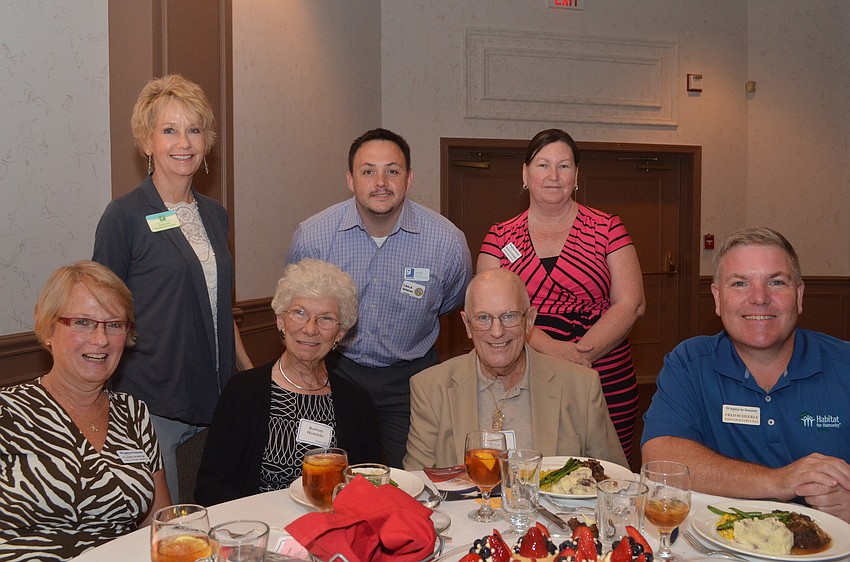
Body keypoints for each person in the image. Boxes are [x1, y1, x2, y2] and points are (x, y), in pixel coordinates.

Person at [92, 74, 252, 499]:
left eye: (193, 130)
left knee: (219, 517)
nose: (184, 142)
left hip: (216, 396)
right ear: (146, 142)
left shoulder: (215, 216)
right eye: (169, 130)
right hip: (153, 399)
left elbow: (220, 307)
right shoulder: (123, 216)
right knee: (168, 528)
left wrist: (250, 375)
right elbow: (101, 313)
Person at [286, 128, 472, 467]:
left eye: (393, 171)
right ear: (350, 179)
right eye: (368, 171)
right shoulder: (313, 237)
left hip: (412, 378)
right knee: (330, 474)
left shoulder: (447, 243)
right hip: (334, 372)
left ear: (410, 178)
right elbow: (296, 307)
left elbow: (451, 301)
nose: (381, 181)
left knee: (414, 479)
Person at [641, 227, 850, 523]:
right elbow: (660, 458)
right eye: (740, 283)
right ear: (717, 297)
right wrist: (777, 482)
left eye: (776, 282)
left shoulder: (845, 366)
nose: (759, 298)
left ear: (799, 295)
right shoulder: (690, 363)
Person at [477, 128, 645, 460]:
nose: (553, 176)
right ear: (525, 174)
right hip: (528, 374)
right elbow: (489, 312)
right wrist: (554, 350)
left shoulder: (608, 227)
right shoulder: (499, 237)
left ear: (576, 175)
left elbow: (631, 303)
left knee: (607, 470)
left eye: (564, 166)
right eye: (543, 165)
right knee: (533, 463)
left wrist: (583, 356)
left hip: (605, 373)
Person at [0, 261, 170, 560]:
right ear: (48, 329)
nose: (101, 339)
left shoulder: (133, 413)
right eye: (82, 322)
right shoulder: (8, 413)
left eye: (114, 324)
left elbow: (161, 525)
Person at [195, 259, 382, 505]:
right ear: (280, 321)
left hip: (331, 528)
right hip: (260, 529)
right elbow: (210, 487)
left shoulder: (357, 403)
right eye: (299, 313)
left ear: (340, 333)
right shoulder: (243, 392)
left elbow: (371, 485)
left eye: (325, 318)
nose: (310, 329)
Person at [403, 268, 627, 470]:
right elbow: (416, 488)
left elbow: (616, 482)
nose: (497, 331)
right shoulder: (431, 388)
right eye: (483, 318)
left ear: (529, 320)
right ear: (467, 325)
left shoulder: (580, 386)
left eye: (509, 316)